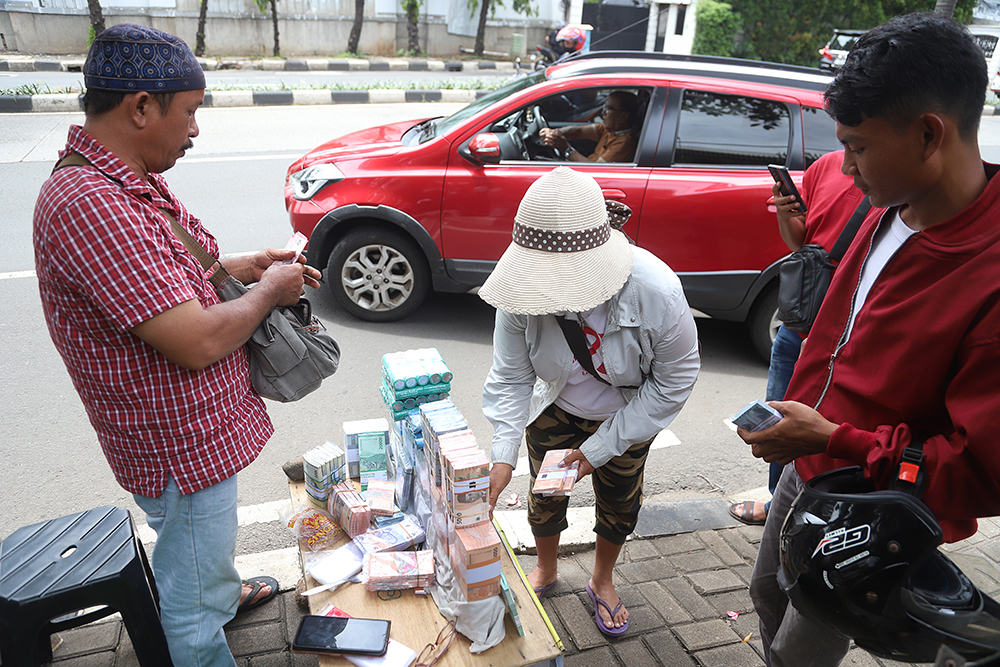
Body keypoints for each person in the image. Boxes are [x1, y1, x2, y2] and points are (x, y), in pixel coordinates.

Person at [32, 24, 321, 666]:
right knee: (187, 605)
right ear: (141, 107)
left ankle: (217, 594)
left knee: (195, 544)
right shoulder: (92, 204)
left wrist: (244, 267)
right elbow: (193, 341)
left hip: (187, 440)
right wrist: (271, 291)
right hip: (176, 445)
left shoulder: (125, 178)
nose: (195, 130)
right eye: (188, 112)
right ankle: (203, 623)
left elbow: (167, 271)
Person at [739, 13, 1000, 667]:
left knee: (805, 641)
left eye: (856, 147)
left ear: (928, 134)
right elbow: (830, 318)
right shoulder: (885, 201)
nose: (843, 167)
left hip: (871, 499)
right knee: (767, 590)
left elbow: (979, 474)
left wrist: (835, 440)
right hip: (809, 465)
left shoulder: (990, 275)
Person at [481, 167, 700, 637]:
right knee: (546, 494)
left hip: (627, 415)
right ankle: (547, 567)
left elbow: (674, 381)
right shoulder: (519, 297)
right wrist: (502, 455)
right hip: (555, 407)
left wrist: (599, 450)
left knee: (619, 499)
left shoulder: (655, 289)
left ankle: (602, 579)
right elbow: (512, 376)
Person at [728, 149, 873, 526]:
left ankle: (823, 511)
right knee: (776, 416)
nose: (850, 165)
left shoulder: (894, 177)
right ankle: (779, 502)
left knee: (828, 427)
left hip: (847, 334)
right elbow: (800, 241)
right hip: (799, 324)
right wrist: (784, 211)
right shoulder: (826, 166)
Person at [539, 91, 639, 163]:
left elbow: (596, 169)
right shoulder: (610, 129)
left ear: (624, 116)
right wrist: (555, 133)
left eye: (609, 109)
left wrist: (566, 149)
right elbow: (579, 131)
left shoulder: (624, 143)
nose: (603, 112)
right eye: (604, 107)